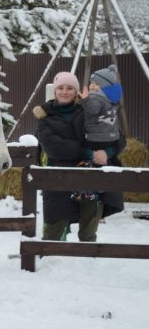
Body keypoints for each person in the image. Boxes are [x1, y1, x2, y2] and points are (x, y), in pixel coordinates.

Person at [33, 71, 124, 242]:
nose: (65, 91)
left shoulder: (90, 111)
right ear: (55, 91)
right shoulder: (45, 118)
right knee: (53, 230)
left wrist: (107, 153)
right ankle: (51, 261)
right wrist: (88, 152)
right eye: (60, 87)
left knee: (88, 230)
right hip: (58, 177)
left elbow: (118, 138)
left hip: (89, 177)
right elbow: (54, 147)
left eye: (69, 88)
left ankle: (87, 262)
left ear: (76, 91)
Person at [79, 64, 122, 167]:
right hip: (111, 138)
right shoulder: (110, 100)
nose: (92, 86)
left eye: (97, 84)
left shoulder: (96, 97)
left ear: (105, 87)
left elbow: (93, 109)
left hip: (96, 138)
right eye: (91, 83)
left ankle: (91, 163)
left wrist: (85, 99)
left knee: (90, 155)